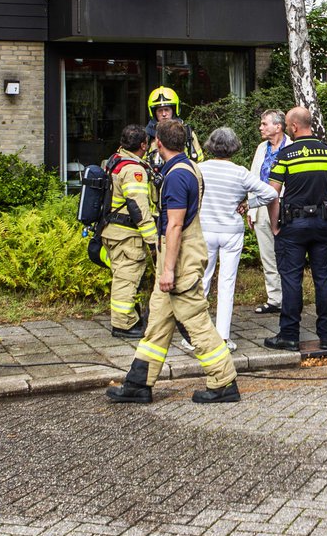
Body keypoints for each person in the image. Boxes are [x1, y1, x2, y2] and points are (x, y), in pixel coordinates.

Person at [106, 119, 240, 404]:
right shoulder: (189, 167)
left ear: (158, 143)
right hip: (178, 257)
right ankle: (138, 383)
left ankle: (224, 381)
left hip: (179, 262)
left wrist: (167, 270)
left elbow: (175, 225)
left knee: (196, 322)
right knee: (157, 324)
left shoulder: (177, 176)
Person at [264, 107, 327, 351]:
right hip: (322, 225)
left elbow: (272, 193)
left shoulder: (286, 155)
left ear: (293, 127)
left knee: (291, 280)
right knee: (323, 279)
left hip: (293, 226)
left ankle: (290, 335)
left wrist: (274, 224)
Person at [198, 126, 277, 346]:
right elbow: (270, 193)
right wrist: (249, 204)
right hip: (231, 231)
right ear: (234, 147)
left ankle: (196, 335)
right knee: (227, 283)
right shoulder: (240, 172)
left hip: (205, 229)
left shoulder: (199, 169)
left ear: (211, 145)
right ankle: (223, 336)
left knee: (202, 280)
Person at [101, 125, 157, 339]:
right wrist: (152, 239)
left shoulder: (115, 160)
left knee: (121, 276)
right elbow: (138, 208)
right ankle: (123, 324)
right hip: (126, 235)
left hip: (112, 230)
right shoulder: (134, 170)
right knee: (127, 278)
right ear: (143, 145)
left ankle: (129, 317)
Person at [246, 108, 289, 315]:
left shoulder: (291, 147)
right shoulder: (262, 148)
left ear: (278, 127)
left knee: (287, 253)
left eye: (265, 124)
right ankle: (275, 299)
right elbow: (253, 177)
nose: (260, 128)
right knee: (268, 254)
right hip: (262, 206)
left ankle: (290, 296)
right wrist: (251, 209)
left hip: (284, 205)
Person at [145, 85, 203, 165]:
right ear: (154, 113)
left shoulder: (186, 132)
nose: (164, 114)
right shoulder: (147, 135)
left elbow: (199, 161)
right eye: (160, 110)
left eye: (167, 110)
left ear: (174, 110)